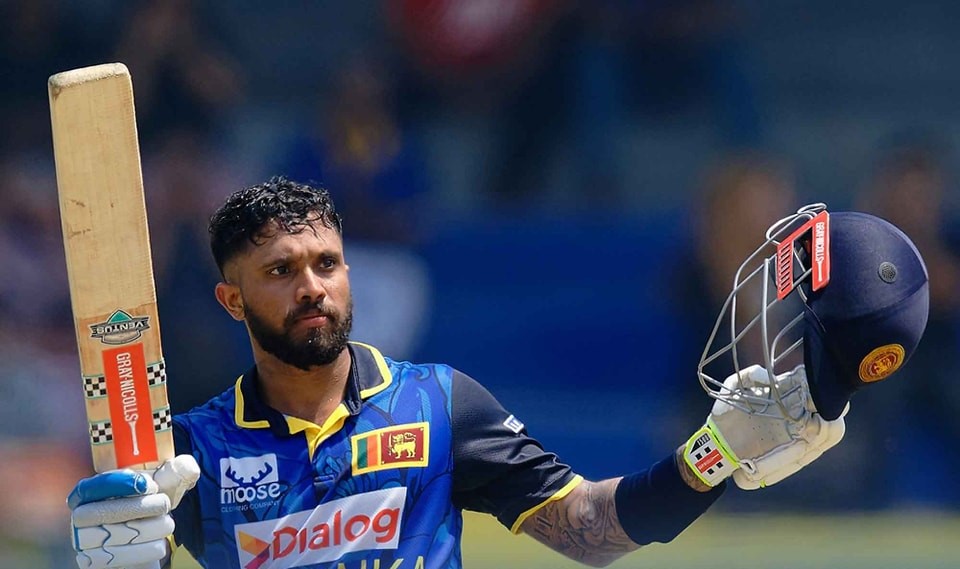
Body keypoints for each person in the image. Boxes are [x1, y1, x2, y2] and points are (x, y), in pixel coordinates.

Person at [66, 178, 928, 569]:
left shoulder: (438, 403)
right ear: (231, 299)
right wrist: (111, 560)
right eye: (280, 271)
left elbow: (590, 530)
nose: (312, 288)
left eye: (326, 263)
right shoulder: (190, 451)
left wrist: (714, 455)